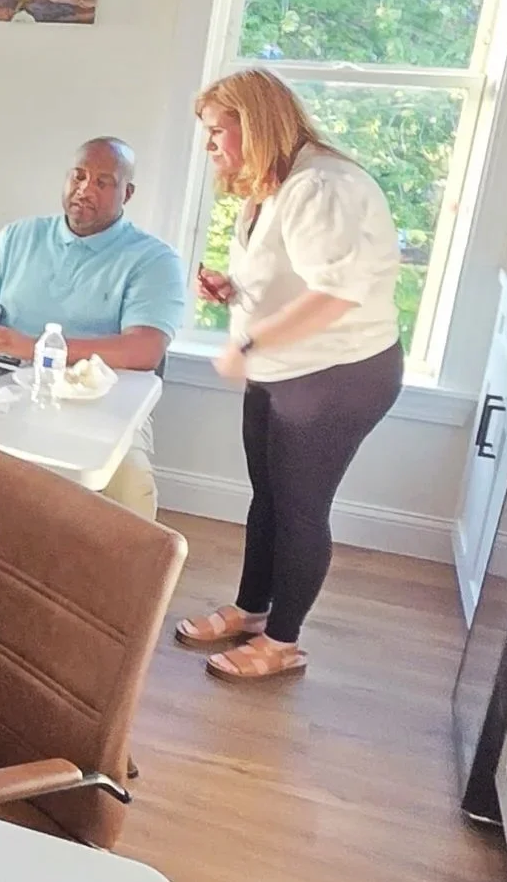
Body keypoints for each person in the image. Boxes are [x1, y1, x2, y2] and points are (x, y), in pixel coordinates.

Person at [173, 68, 404, 685]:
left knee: (302, 508)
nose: (211, 146)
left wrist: (249, 337)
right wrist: (236, 293)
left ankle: (282, 642)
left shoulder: (323, 186)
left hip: (337, 375)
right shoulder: (271, 184)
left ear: (260, 124)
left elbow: (336, 295)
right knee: (268, 497)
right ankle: (253, 611)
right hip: (282, 369)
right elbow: (292, 276)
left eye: (220, 131)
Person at [0, 136, 186, 519]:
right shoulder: (18, 238)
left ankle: (118, 580)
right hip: (6, 391)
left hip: (103, 402)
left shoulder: (154, 259)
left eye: (102, 182)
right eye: (78, 176)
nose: (84, 189)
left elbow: (144, 351)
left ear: (128, 192)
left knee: (131, 488)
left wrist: (36, 347)